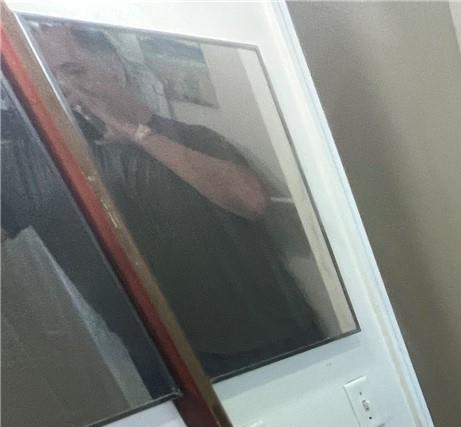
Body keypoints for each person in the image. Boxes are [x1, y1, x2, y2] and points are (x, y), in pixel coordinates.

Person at [31, 21, 330, 377]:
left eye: (73, 70)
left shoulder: (193, 137)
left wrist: (137, 133)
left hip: (277, 341)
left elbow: (250, 200)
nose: (64, 87)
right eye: (51, 77)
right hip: (184, 362)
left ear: (115, 69)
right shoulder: (72, 165)